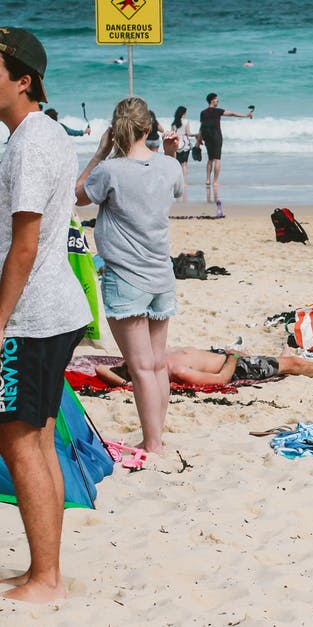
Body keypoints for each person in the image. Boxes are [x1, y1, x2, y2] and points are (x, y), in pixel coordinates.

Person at [0, 27, 94, 603]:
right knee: (34, 438)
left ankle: (47, 578)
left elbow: (26, 244)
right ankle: (45, 568)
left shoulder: (31, 142)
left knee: (16, 440)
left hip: (31, 315)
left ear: (22, 79)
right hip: (56, 309)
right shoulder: (45, 133)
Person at [75, 95, 182, 456]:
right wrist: (169, 153)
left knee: (140, 368)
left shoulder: (110, 170)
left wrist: (98, 153)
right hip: (161, 274)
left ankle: (152, 442)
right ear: (148, 128)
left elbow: (77, 196)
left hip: (126, 278)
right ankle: (156, 437)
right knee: (156, 363)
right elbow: (177, 188)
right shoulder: (168, 166)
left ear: (114, 130)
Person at [96, 345, 313, 388]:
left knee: (286, 360)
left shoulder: (153, 355)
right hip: (237, 367)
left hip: (229, 356)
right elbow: (221, 380)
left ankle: (284, 358)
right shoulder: (176, 371)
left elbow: (101, 369)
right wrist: (233, 356)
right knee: (294, 364)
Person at [197, 92, 252, 190]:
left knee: (210, 159)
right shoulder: (217, 111)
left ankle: (207, 180)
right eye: (217, 99)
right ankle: (215, 182)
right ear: (212, 100)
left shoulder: (203, 113)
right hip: (216, 136)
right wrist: (245, 115)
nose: (218, 101)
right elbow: (232, 114)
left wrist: (199, 140)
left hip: (207, 136)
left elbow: (201, 127)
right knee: (217, 159)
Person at [169, 105, 197, 183]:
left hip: (176, 143)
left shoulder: (173, 123)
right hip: (185, 145)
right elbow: (188, 133)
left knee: (177, 163)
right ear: (183, 113)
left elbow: (172, 134)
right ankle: (184, 182)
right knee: (184, 164)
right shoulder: (186, 121)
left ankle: (177, 181)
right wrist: (196, 135)